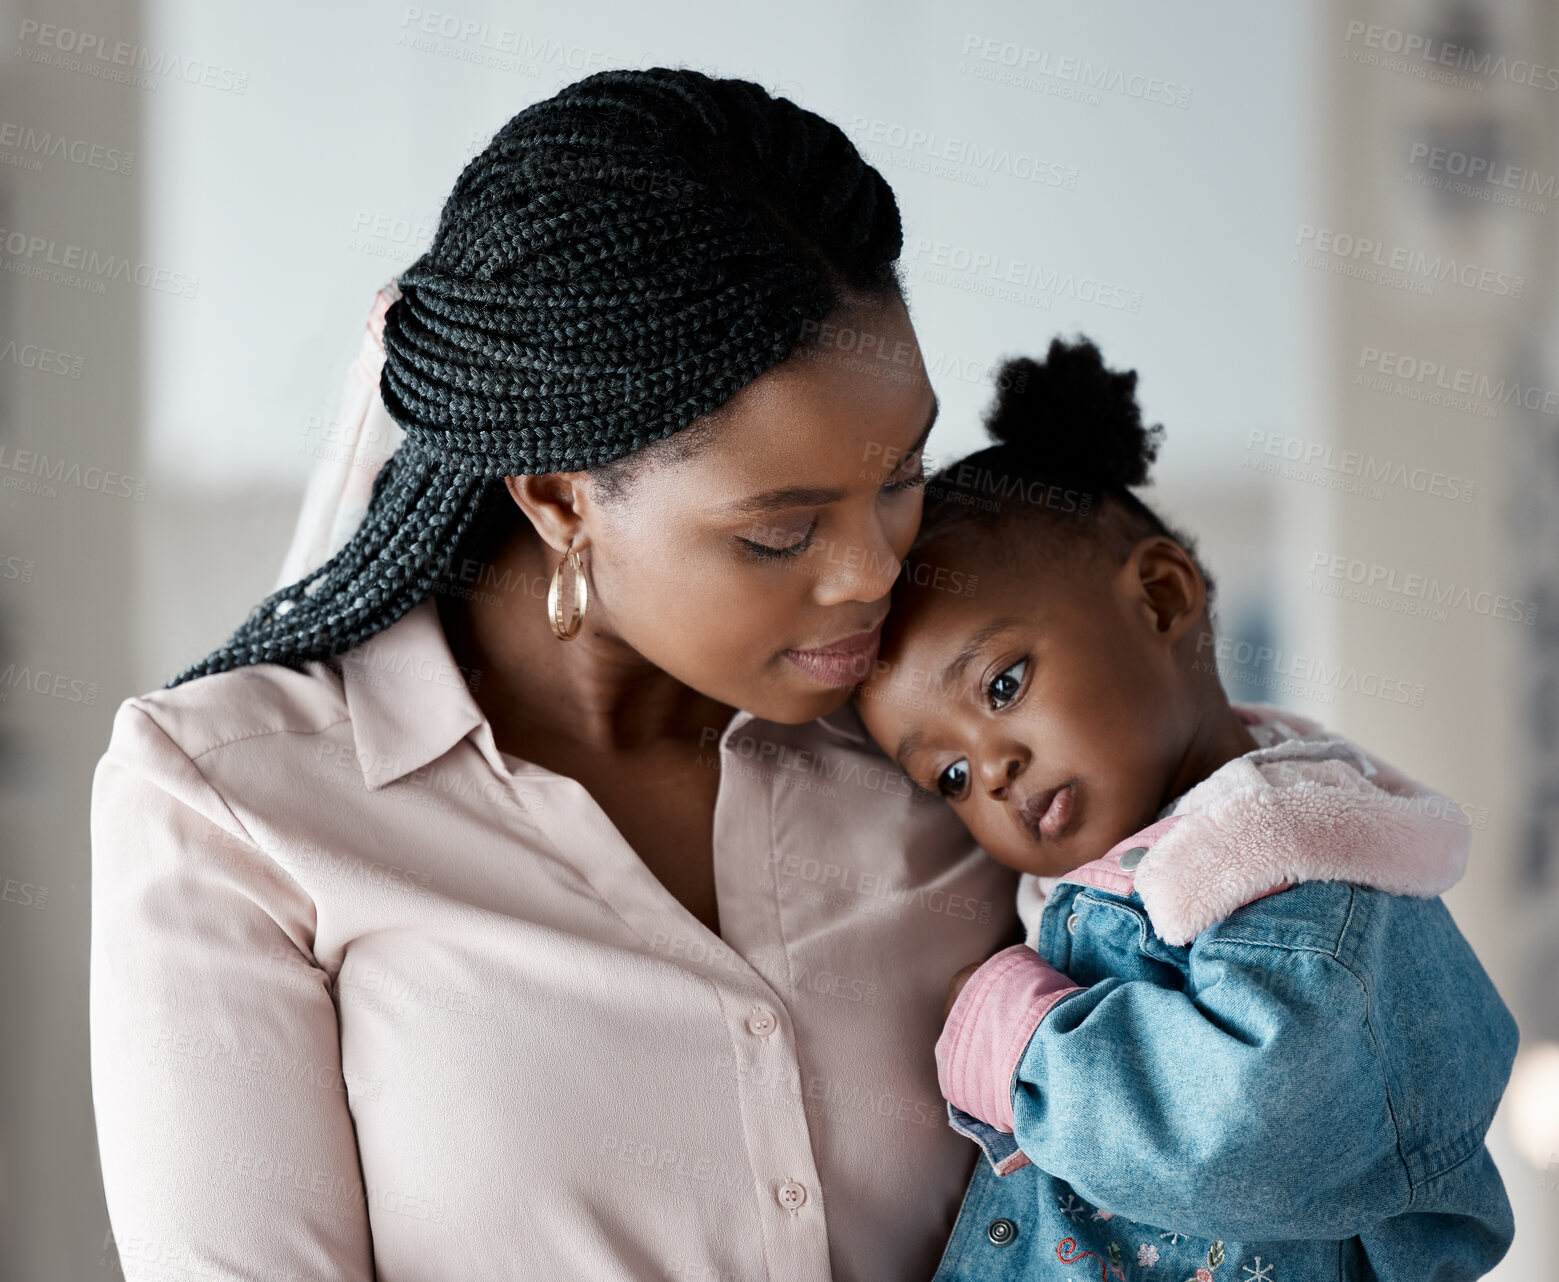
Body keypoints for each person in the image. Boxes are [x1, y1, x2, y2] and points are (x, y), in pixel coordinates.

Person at [87, 68, 1019, 1281]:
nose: (867, 571)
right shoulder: (236, 802)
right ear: (555, 496)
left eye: (900, 475)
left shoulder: (952, 744)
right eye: (780, 532)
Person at [853, 337, 1519, 1281]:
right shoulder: (1166, 865)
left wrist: (1024, 1045)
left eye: (1002, 685)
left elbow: (1245, 1128)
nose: (991, 771)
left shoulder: (1307, 887)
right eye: (949, 778)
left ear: (1161, 598)